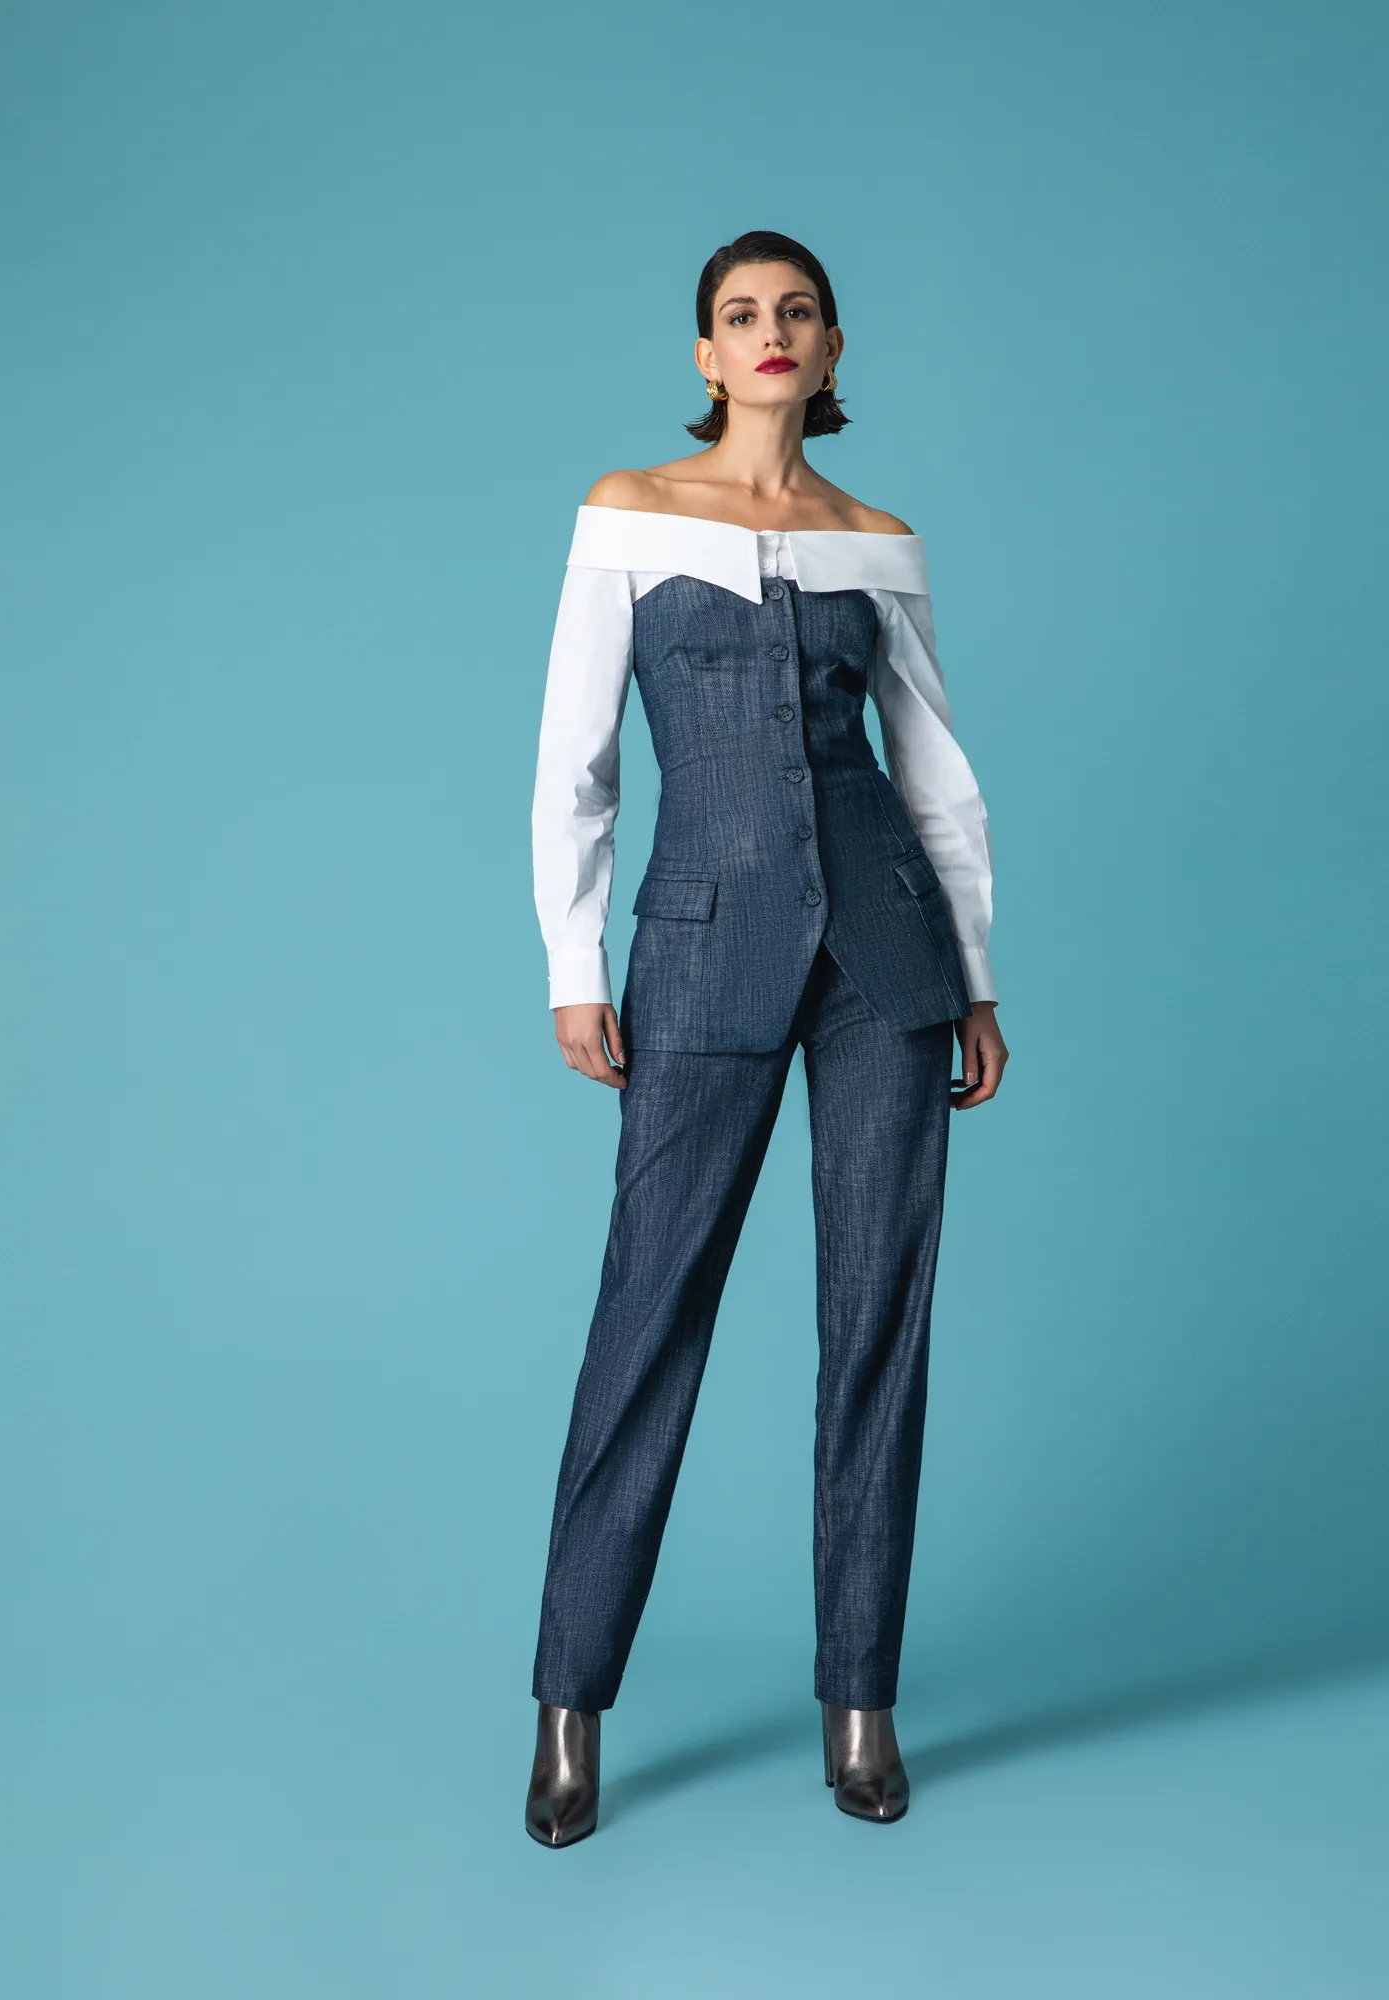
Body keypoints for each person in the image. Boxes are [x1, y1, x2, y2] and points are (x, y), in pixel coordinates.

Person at [524, 230, 1008, 1846]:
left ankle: (861, 1701)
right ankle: (570, 1704)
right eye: (741, 315)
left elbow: (934, 772)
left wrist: (976, 977)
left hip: (886, 960)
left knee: (879, 1325)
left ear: (833, 345)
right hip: (703, 951)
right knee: (647, 1314)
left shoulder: (879, 542)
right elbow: (576, 760)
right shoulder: (629, 512)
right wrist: (573, 962)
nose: (771, 332)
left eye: (797, 311)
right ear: (705, 355)